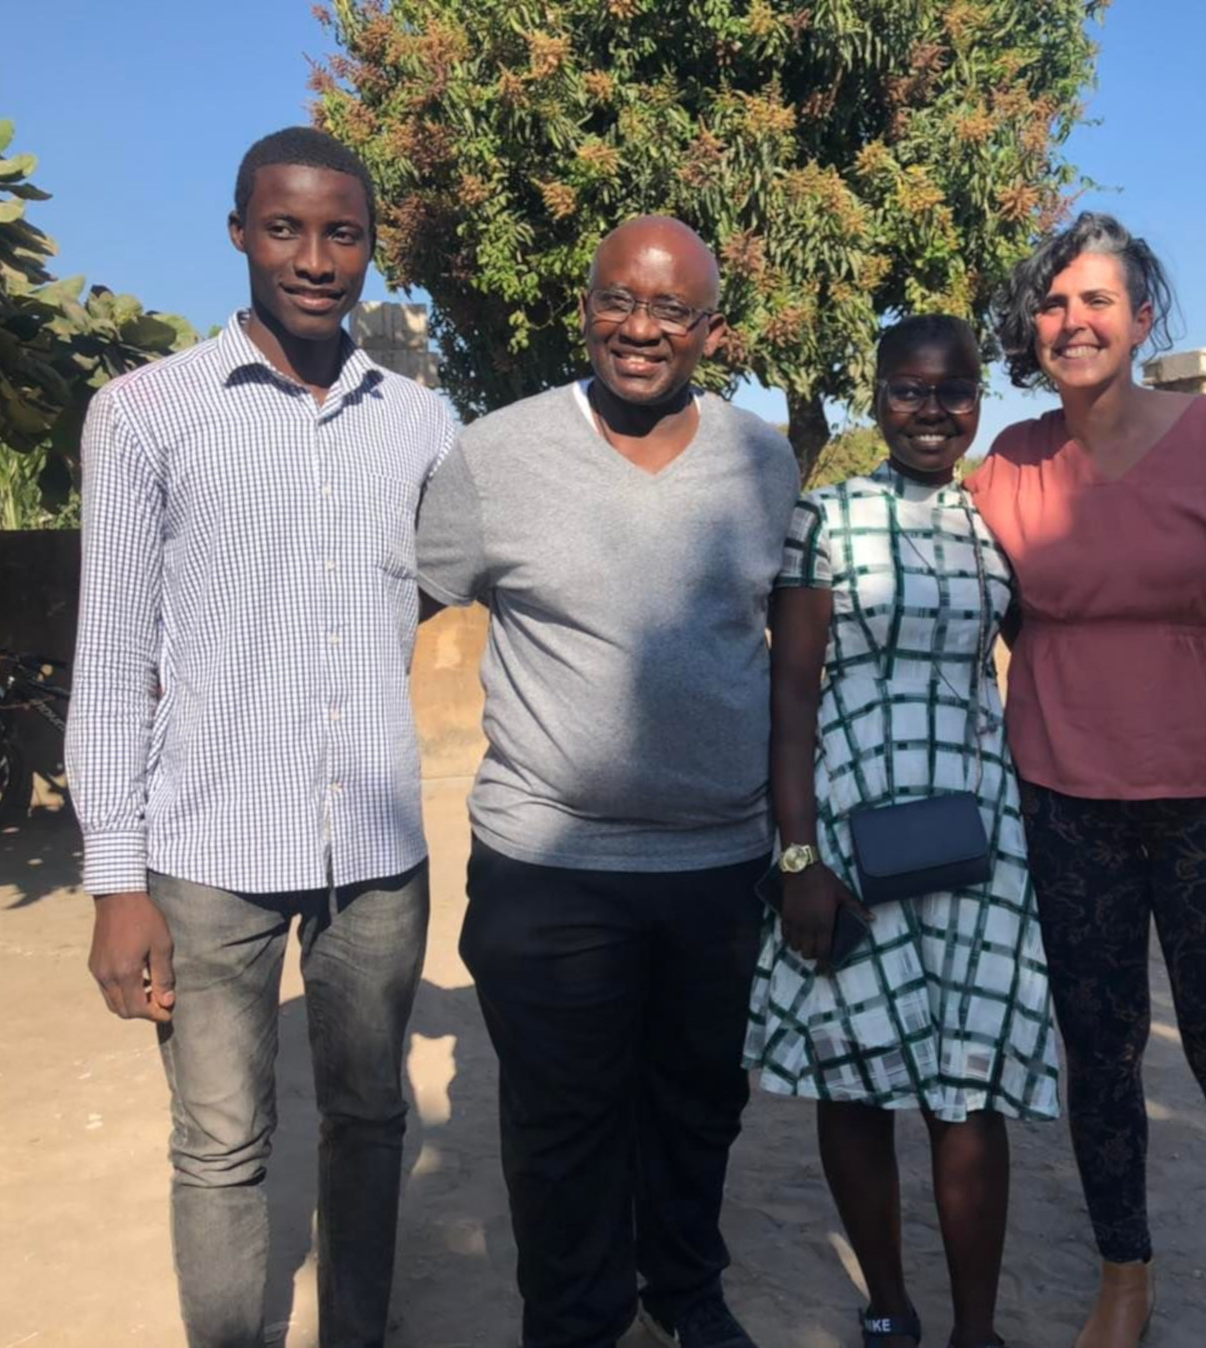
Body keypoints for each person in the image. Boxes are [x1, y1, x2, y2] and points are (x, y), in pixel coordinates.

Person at [68, 127, 458, 1347]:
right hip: (207, 854)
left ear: (371, 247)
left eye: (342, 232)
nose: (314, 258)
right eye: (285, 227)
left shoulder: (423, 424)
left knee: (370, 1121)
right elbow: (112, 653)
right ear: (238, 232)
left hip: (377, 857)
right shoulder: (144, 415)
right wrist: (112, 879)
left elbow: (446, 581)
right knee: (222, 1146)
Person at [413, 216, 798, 1348]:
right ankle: (577, 1320)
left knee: (697, 1106)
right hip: (549, 865)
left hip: (718, 864)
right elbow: (401, 608)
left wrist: (793, 841)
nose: (641, 329)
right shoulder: (495, 454)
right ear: (584, 306)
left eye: (672, 309)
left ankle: (684, 1290)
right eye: (618, 301)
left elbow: (793, 654)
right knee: (563, 1123)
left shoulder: (762, 461)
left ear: (709, 328)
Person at [967, 213, 1206, 1348]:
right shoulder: (1009, 467)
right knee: (1100, 1056)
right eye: (1053, 303)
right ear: (1032, 328)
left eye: (1097, 301)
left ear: (1142, 318)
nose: (1072, 321)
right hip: (1066, 809)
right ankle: (1123, 1275)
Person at [744, 314, 1060, 1348]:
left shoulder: (994, 524)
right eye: (910, 391)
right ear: (876, 397)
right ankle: (888, 1304)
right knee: (853, 1068)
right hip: (846, 824)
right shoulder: (825, 517)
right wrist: (797, 855)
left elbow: (1059, 655)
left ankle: (977, 1327)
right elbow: (790, 697)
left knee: (968, 1087)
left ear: (979, 399)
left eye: (955, 391)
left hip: (976, 831)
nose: (933, 411)